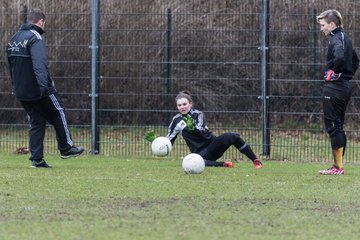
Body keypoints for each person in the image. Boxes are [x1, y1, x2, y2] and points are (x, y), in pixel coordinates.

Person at [7, 8, 84, 168]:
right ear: (41, 21)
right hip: (39, 89)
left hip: (21, 91)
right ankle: (66, 148)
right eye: (44, 23)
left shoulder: (15, 38)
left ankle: (37, 159)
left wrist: (15, 86)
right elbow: (40, 63)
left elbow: (10, 64)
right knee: (58, 111)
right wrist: (45, 86)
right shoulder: (35, 37)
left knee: (37, 121)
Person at [145, 91, 263, 169]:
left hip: (213, 145)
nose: (182, 107)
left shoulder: (198, 114)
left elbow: (201, 130)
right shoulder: (176, 121)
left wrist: (192, 128)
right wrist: (157, 141)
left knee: (232, 136)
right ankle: (224, 165)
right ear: (177, 107)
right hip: (200, 153)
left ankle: (255, 160)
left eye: (184, 104)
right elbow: (169, 141)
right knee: (192, 162)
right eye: (179, 105)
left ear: (190, 104)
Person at [316, 10, 359, 175]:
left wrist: (335, 73)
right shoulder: (344, 37)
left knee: (333, 126)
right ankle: (337, 166)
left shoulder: (336, 38)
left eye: (323, 25)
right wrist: (347, 76)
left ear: (332, 24)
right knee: (338, 126)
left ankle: (337, 168)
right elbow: (355, 60)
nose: (322, 29)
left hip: (335, 87)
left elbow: (340, 58)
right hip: (344, 86)